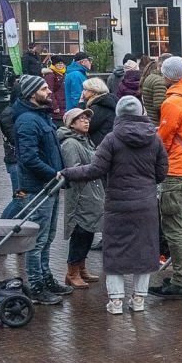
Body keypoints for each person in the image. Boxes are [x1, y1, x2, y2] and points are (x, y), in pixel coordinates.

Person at [60, 96, 168, 314]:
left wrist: (67, 173)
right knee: (145, 251)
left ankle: (116, 301)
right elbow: (161, 172)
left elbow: (94, 170)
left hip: (118, 204)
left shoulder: (111, 139)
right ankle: (139, 300)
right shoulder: (154, 138)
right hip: (146, 203)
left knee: (115, 251)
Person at [11, 75, 70, 303]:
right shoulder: (27, 120)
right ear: (31, 93)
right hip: (39, 187)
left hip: (51, 186)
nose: (49, 91)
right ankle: (36, 286)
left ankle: (46, 278)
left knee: (47, 237)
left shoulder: (40, 116)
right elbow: (28, 157)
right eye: (44, 88)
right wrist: (53, 173)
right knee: (37, 239)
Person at [149, 57, 182, 300]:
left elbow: (163, 138)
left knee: (173, 226)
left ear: (169, 76)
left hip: (176, 170)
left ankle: (180, 279)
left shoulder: (173, 102)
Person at [57, 107, 105, 289]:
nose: (86, 121)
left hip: (92, 192)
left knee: (89, 230)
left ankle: (81, 266)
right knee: (80, 232)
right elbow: (73, 168)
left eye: (87, 119)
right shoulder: (70, 143)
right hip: (81, 194)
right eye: (81, 119)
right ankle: (72, 272)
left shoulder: (85, 140)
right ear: (71, 123)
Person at [78, 78, 116, 146]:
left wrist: (81, 103)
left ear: (93, 91)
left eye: (85, 89)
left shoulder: (98, 107)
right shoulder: (106, 101)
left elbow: (83, 126)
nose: (83, 92)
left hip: (99, 144)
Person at [140, 55, 168, 124]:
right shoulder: (159, 81)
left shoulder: (150, 77)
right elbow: (159, 106)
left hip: (151, 120)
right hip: (157, 122)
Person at [43, 57, 67, 123]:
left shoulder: (64, 74)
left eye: (61, 63)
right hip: (57, 108)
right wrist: (55, 106)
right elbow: (49, 92)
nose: (60, 65)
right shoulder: (50, 75)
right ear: (54, 65)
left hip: (63, 105)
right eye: (58, 63)